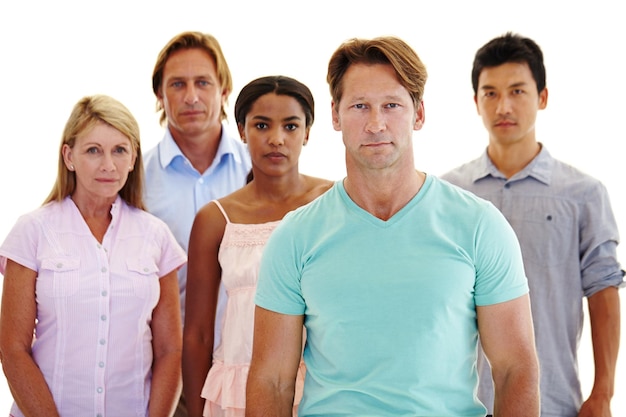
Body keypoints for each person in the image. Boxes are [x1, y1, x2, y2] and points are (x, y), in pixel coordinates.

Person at [245, 36, 540, 417]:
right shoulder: (294, 236)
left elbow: (516, 369)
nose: (375, 123)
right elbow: (271, 380)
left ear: (418, 113)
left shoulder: (480, 226)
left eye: (392, 105)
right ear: (335, 115)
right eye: (359, 106)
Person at [441, 32, 624, 417]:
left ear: (542, 96)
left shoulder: (583, 193)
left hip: (552, 400)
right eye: (490, 93)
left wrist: (603, 393)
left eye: (518, 91)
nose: (503, 105)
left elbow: (603, 290)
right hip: (459, 402)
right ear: (475, 102)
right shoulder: (448, 193)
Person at [0, 94, 187, 416]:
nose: (108, 165)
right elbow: (12, 348)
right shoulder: (32, 230)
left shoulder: (156, 237)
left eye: (119, 150)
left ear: (133, 158)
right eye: (93, 151)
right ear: (69, 156)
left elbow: (170, 350)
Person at [183, 75, 332, 417]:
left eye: (291, 126)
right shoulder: (215, 218)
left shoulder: (333, 203)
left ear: (308, 132)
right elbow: (198, 335)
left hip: (321, 387)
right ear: (241, 130)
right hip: (238, 388)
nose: (276, 139)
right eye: (262, 125)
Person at [143, 31, 252, 416]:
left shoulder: (259, 170)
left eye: (203, 82)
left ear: (224, 90)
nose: (191, 96)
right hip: (167, 371)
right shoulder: (134, 179)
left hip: (250, 365)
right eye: (178, 84)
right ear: (160, 94)